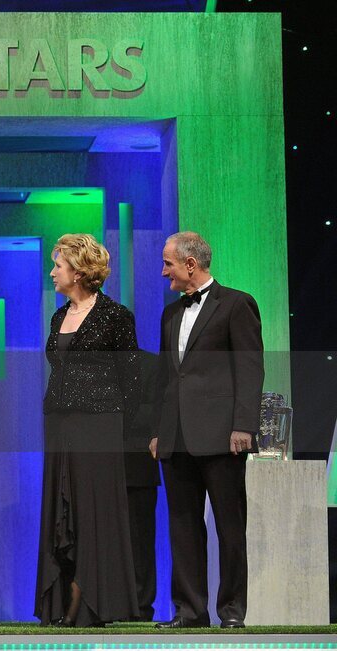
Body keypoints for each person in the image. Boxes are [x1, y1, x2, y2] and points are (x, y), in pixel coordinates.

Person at [151, 231, 264, 629]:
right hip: (177, 436)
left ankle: (231, 612)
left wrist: (244, 425)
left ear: (190, 264)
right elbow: (167, 377)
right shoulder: (170, 313)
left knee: (229, 526)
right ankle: (189, 611)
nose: (163, 270)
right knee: (182, 525)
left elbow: (250, 369)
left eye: (168, 263)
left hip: (222, 436)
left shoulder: (236, 304)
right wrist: (158, 431)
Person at [35, 233, 140, 627]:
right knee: (63, 510)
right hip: (60, 424)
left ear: (78, 272)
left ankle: (89, 603)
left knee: (93, 514)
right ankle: (61, 602)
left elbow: (132, 381)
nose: (52, 272)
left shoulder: (116, 316)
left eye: (58, 265)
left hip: (99, 426)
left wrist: (119, 434)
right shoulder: (58, 315)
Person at [124, 350, 162, 621]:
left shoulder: (150, 365)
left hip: (137, 462)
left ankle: (140, 608)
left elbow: (157, 411)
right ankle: (104, 604)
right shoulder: (90, 366)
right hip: (96, 468)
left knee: (139, 540)